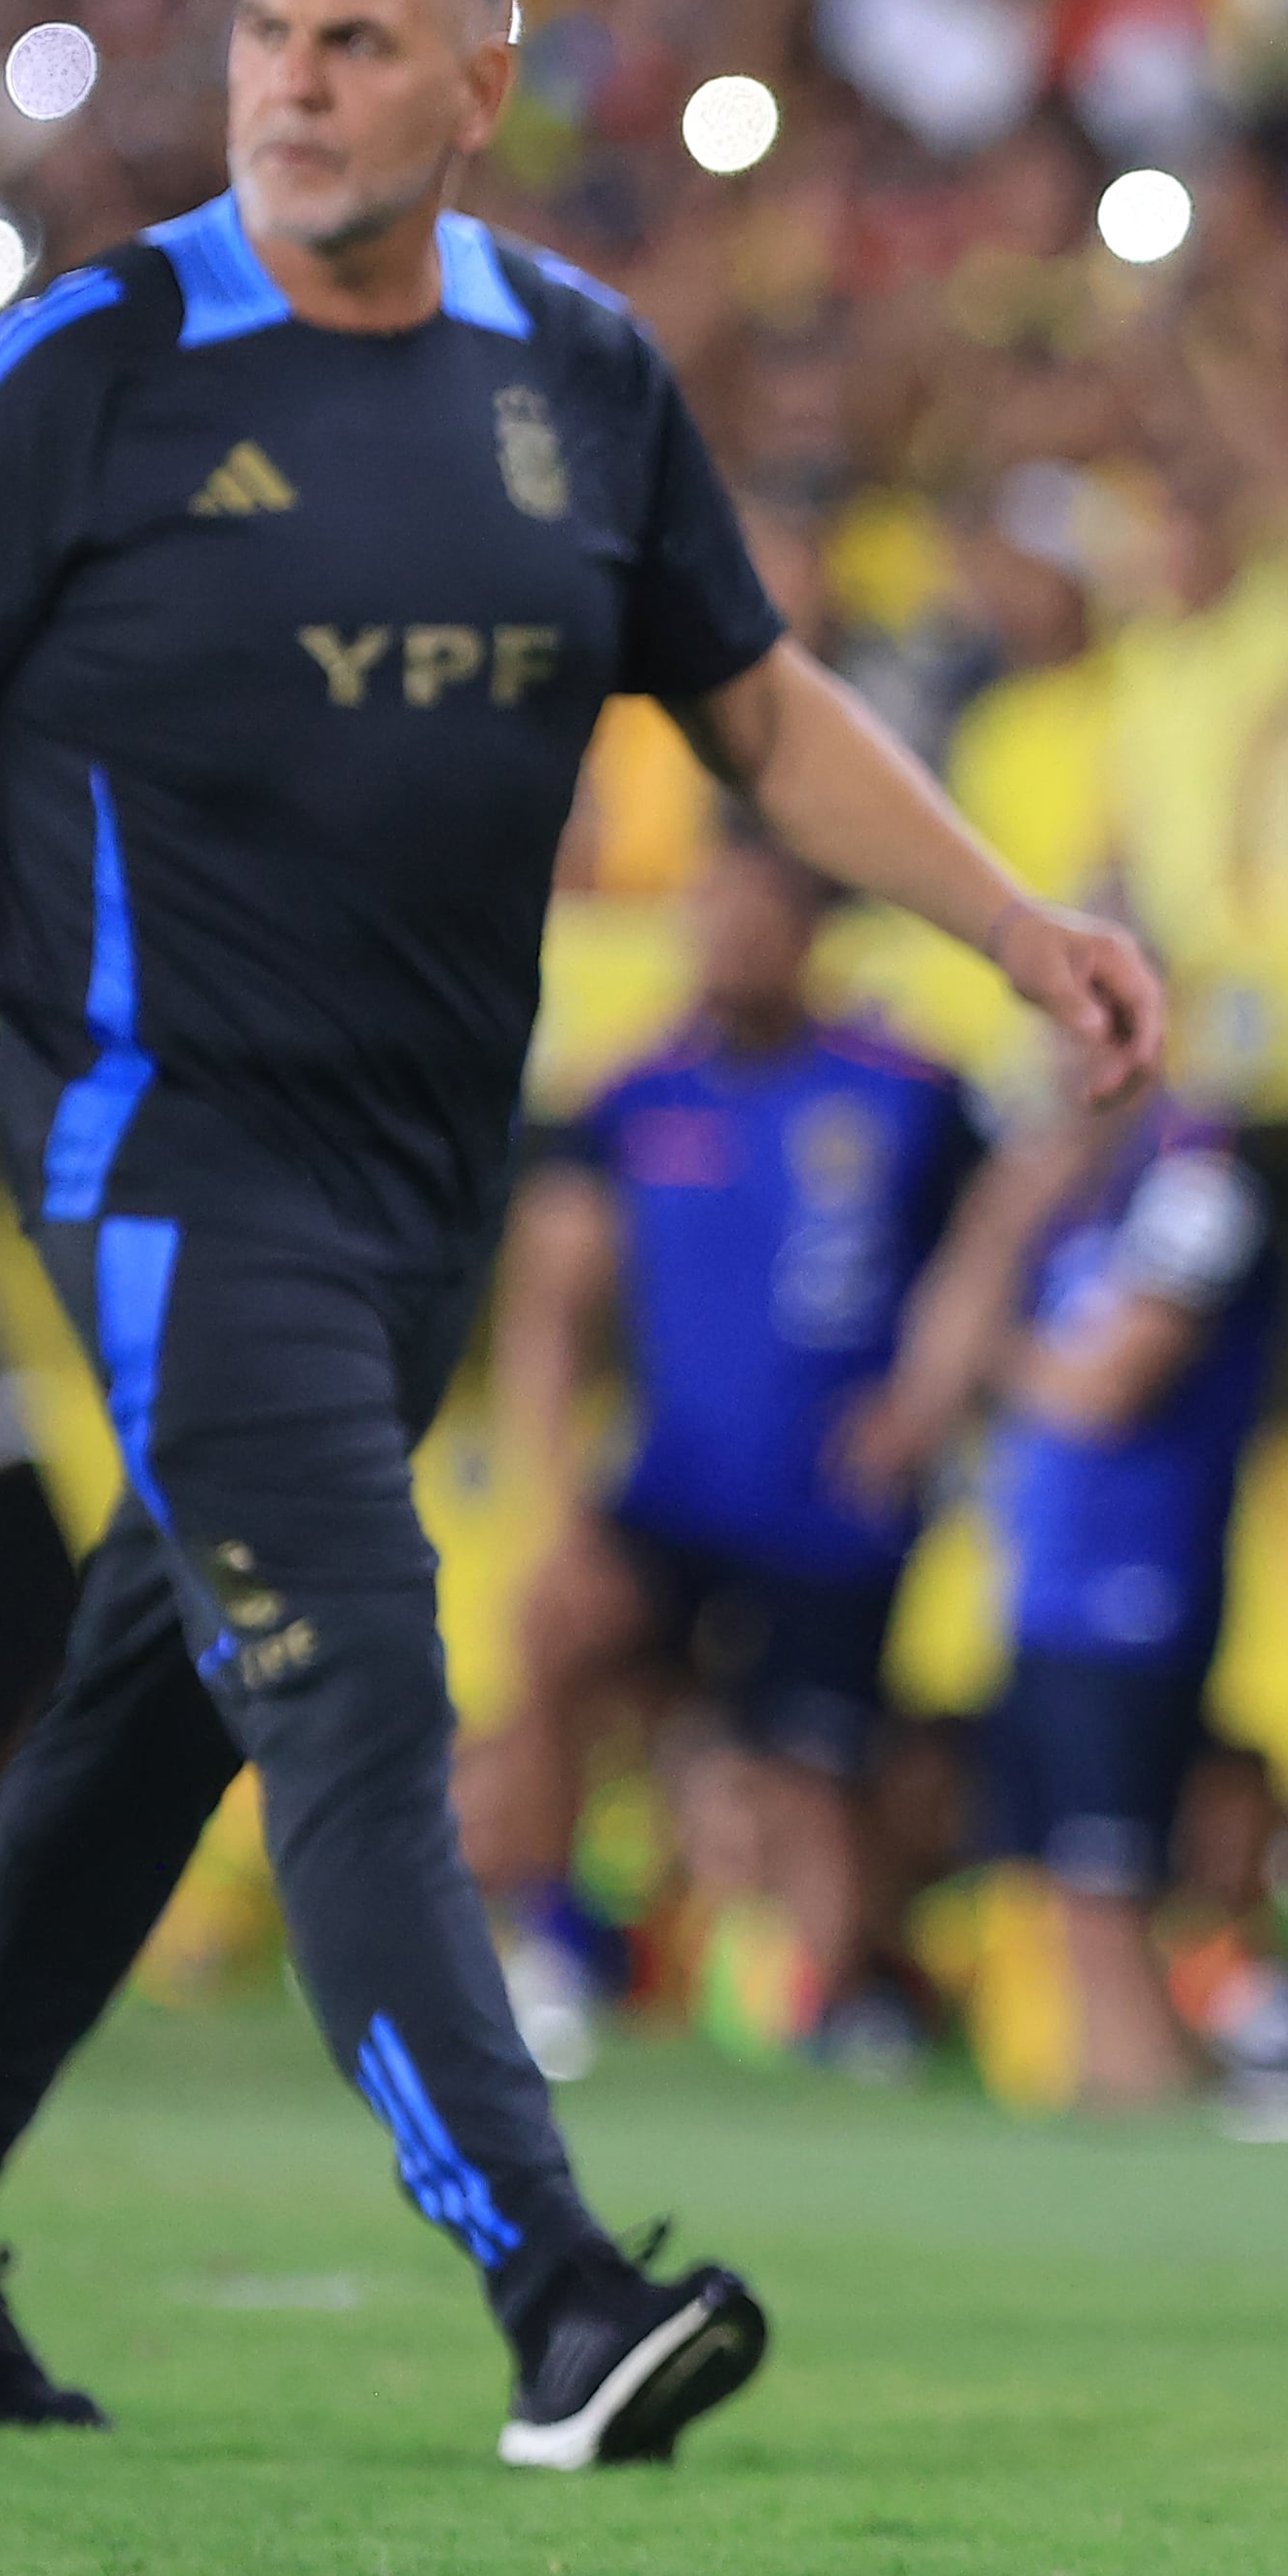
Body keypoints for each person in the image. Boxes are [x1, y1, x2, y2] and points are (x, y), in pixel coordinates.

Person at [0, 0, 1158, 2464]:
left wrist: (1014, 924)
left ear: (485, 81)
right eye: (261, 32)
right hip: (163, 1158)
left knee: (162, 1700)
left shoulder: (581, 373)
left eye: (354, 46)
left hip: (424, 1193)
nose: (291, 88)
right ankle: (561, 2292)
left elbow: (766, 710)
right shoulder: (97, 361)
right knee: (350, 1664)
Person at [452, 825, 984, 2072]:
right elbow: (545, 1314)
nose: (729, 940)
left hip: (828, 1506)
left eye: (756, 916)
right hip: (676, 1494)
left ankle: (843, 2006)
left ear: (807, 935)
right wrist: (559, 1510)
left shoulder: (906, 1090)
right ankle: (553, 1948)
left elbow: (990, 1256)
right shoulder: (633, 1100)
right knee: (554, 1634)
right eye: (712, 914)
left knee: (811, 1775)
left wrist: (922, 1400)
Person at [865, 1086, 1281, 2106]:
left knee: (1108, 1902)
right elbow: (933, 1368)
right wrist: (996, 1224)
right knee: (1063, 1901)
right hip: (1044, 1597)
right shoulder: (1060, 1204)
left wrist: (992, 1347)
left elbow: (1104, 1388)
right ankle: (1122, 2121)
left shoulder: (1196, 1185)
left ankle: (1168, 2122)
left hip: (1135, 1596)